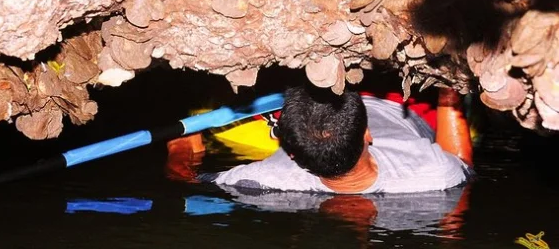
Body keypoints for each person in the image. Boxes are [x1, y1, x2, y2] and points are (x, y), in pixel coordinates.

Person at [167, 84, 474, 194]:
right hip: (399, 102)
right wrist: (449, 87)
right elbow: (461, 161)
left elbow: (185, 178)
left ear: (290, 153)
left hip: (318, 111)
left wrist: (181, 147)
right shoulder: (430, 172)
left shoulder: (270, 177)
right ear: (367, 134)